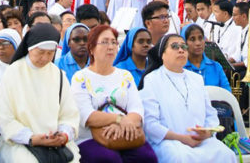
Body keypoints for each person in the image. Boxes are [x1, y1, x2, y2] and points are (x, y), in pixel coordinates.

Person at [139, 34, 234, 162]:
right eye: (174, 46)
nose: (180, 50)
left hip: (199, 140)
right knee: (180, 157)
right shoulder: (152, 80)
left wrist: (207, 133)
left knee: (226, 154)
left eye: (183, 46)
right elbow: (150, 124)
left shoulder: (197, 79)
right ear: (162, 55)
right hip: (168, 142)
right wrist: (182, 138)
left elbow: (210, 115)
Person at [0, 22, 80, 163]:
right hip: (20, 142)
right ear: (30, 48)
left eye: (50, 53)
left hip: (55, 143)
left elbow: (69, 114)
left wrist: (63, 135)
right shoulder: (13, 72)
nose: (45, 58)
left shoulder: (58, 74)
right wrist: (31, 138)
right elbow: (5, 118)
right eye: (40, 52)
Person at [71, 23, 155, 163]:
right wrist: (119, 119)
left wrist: (124, 124)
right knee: (108, 159)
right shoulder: (80, 78)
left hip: (125, 132)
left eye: (114, 42)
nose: (110, 47)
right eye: (104, 42)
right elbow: (87, 115)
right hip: (91, 136)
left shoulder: (125, 76)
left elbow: (137, 109)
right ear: (91, 48)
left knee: (146, 157)